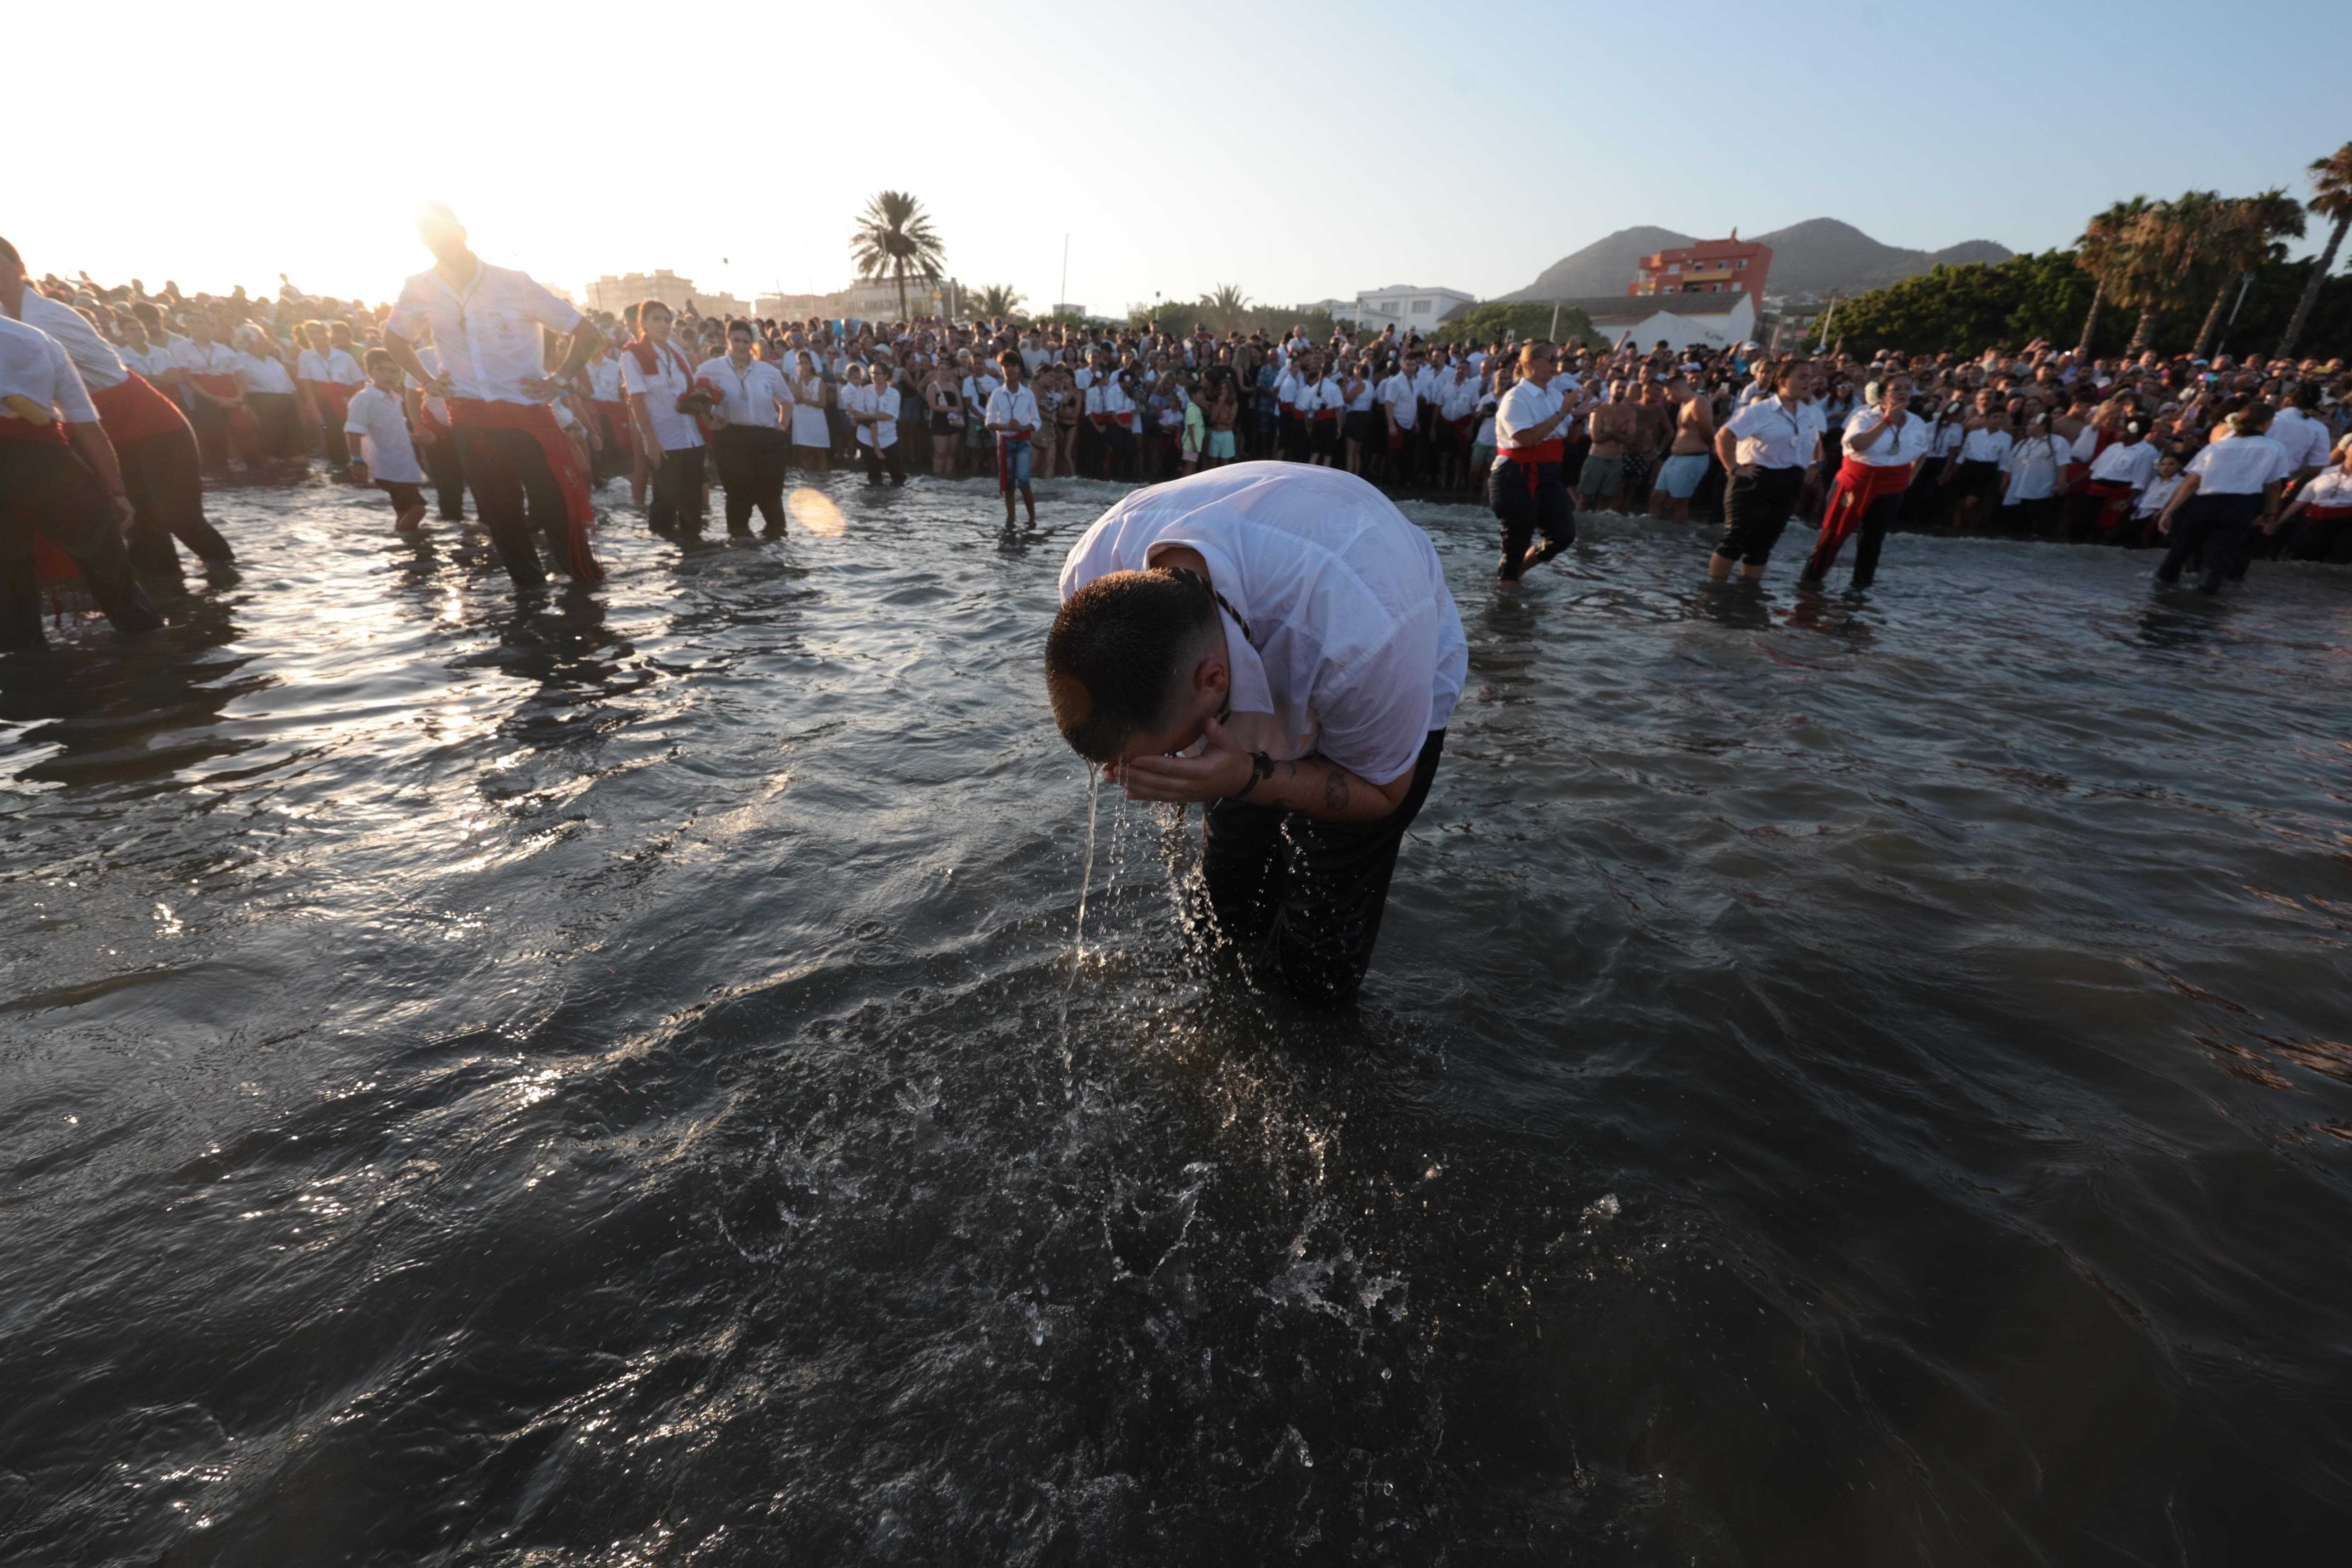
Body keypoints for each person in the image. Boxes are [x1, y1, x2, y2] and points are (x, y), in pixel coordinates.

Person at [1048, 462, 1466, 1008]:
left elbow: (1382, 793)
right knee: (1224, 908)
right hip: (1275, 621)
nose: (1164, 767)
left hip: (1370, 660)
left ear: (1213, 683)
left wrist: (1246, 775)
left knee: (1317, 957)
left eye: (1171, 753)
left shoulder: (1368, 636)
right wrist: (1210, 771)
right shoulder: (1094, 572)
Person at [382, 203, 605, 592]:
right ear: (423, 240)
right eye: (430, 235)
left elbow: (586, 332)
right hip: (471, 420)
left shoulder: (513, 282)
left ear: (463, 233)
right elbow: (394, 338)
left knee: (559, 513)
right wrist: (426, 379)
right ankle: (531, 604)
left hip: (529, 417)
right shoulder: (419, 287)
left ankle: (587, 602)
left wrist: (560, 380)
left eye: (445, 233)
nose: (441, 242)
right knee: (502, 520)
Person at [0, 237, 231, 576]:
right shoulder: (7, 321)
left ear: (20, 268)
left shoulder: (49, 319)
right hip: (90, 425)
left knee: (179, 517)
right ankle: (169, 603)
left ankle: (227, 578)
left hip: (148, 420)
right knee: (135, 522)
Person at [0, 312, 164, 647]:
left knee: (8, 577)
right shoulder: (39, 340)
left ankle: (29, 674)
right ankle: (158, 657)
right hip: (50, 464)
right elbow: (88, 425)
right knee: (108, 562)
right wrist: (118, 492)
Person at [1801, 374, 1928, 588]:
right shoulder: (1864, 417)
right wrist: (1888, 420)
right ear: (1882, 395)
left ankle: (1861, 587)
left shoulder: (1916, 422)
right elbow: (1859, 445)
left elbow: (1923, 452)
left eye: (1908, 388)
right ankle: (1811, 582)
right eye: (1896, 388)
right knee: (1834, 533)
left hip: (1892, 485)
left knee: (1873, 539)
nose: (1903, 393)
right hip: (1857, 481)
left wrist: (1910, 478)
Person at [2153, 404, 2291, 594]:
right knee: (2218, 558)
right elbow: (2274, 486)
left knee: (2180, 551)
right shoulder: (2275, 448)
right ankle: (2205, 605)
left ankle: (2159, 595)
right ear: (2266, 423)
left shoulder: (2217, 447)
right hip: (2242, 506)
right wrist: (2270, 514)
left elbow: (2192, 482)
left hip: (2206, 503)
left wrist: (2169, 511)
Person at [1709, 362, 1822, 581]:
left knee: (1764, 544)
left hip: (1789, 481)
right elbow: (1723, 436)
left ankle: (1748, 594)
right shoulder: (1760, 410)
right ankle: (1714, 592)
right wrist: (1733, 468)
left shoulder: (1809, 414)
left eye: (1810, 377)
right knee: (1735, 540)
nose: (1808, 382)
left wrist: (1814, 464)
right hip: (1755, 479)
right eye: (1802, 377)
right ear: (1782, 382)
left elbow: (1816, 441)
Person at [1487, 341, 1581, 587]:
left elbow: (1566, 438)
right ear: (1531, 363)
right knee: (1516, 542)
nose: (1556, 365)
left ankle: (1516, 572)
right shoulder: (1515, 398)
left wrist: (1580, 417)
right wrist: (1562, 413)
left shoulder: (1554, 395)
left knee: (1563, 534)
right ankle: (1506, 604)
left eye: (1557, 359)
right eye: (1550, 359)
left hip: (1548, 473)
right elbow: (1526, 439)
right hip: (1514, 475)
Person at [698, 318, 792, 538]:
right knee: (738, 496)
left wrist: (783, 424)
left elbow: (787, 401)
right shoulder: (711, 369)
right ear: (727, 340)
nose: (741, 346)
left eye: (746, 341)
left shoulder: (767, 371)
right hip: (731, 438)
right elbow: (693, 397)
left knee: (771, 496)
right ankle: (741, 547)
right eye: (737, 340)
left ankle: (777, 543)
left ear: (753, 343)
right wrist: (708, 421)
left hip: (767, 438)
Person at [622, 300, 707, 536]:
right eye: (656, 319)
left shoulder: (676, 351)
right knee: (666, 497)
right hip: (664, 436)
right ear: (643, 323)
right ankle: (663, 553)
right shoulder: (633, 354)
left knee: (692, 498)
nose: (663, 325)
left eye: (667, 320)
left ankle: (693, 548)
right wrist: (651, 439)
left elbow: (692, 383)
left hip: (691, 434)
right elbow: (636, 400)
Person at [343, 348, 429, 531]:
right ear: (369, 371)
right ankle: (400, 538)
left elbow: (396, 430)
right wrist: (357, 462)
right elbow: (353, 431)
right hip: (387, 466)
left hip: (403, 465)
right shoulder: (365, 399)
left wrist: (416, 439)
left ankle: (407, 547)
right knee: (418, 509)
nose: (388, 375)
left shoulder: (394, 398)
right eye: (381, 370)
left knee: (404, 511)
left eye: (394, 371)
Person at [296, 319, 364, 475]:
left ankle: (357, 462)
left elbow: (358, 381)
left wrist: (361, 403)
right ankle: (339, 468)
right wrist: (314, 408)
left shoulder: (344, 357)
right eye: (310, 333)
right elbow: (306, 385)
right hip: (323, 398)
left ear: (326, 333)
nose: (314, 336)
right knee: (331, 433)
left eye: (317, 332)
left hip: (346, 397)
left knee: (350, 430)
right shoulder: (305, 357)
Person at [984, 349, 1040, 528]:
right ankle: (1012, 520)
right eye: (1006, 366)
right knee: (1009, 484)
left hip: (1023, 440)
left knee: (1024, 482)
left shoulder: (1028, 394)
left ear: (1019, 369)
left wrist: (1023, 427)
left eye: (1014, 366)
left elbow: (1037, 421)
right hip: (1006, 441)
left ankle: (1032, 520)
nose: (1010, 370)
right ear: (1001, 369)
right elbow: (989, 422)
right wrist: (1006, 427)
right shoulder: (997, 394)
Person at [2275, 436, 2352, 563]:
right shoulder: (2326, 473)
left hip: (2346, 524)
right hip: (2315, 521)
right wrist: (2278, 523)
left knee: (2341, 554)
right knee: (2303, 554)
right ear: (2345, 450)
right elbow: (2301, 501)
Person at [1650, 374, 1715, 526]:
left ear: (1676, 389)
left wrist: (1707, 448)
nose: (1667, 398)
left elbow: (1708, 434)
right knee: (1657, 497)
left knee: (1679, 502)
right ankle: (1653, 530)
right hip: (1675, 458)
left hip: (1692, 457)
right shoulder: (1683, 404)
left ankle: (1677, 536)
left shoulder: (1699, 403)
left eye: (1668, 394)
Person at [845, 359, 906, 486]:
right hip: (866, 438)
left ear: (886, 375)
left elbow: (889, 416)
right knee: (874, 477)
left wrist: (866, 416)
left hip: (888, 438)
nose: (874, 376)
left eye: (878, 373)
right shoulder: (866, 390)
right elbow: (855, 407)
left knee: (898, 477)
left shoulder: (894, 393)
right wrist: (853, 415)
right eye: (872, 373)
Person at [788, 349, 831, 472]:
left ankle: (823, 480)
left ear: (811, 364)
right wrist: (801, 378)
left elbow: (823, 403)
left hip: (816, 419)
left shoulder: (819, 381)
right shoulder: (794, 380)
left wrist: (806, 401)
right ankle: (807, 482)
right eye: (800, 363)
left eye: (806, 363)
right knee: (804, 452)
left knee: (820, 452)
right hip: (801, 419)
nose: (804, 366)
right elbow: (796, 399)